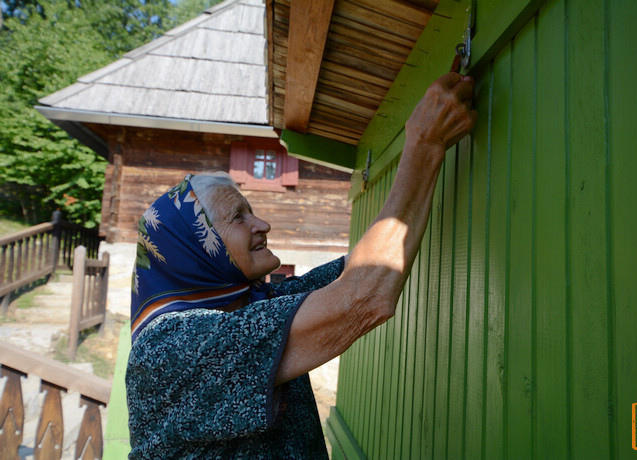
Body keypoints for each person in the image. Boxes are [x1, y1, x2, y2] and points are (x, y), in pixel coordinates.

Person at [126, 72, 478, 458]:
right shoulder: (170, 349)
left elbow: (358, 270)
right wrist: (424, 146)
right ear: (193, 248)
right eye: (239, 217)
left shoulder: (249, 304)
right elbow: (363, 295)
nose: (263, 224)